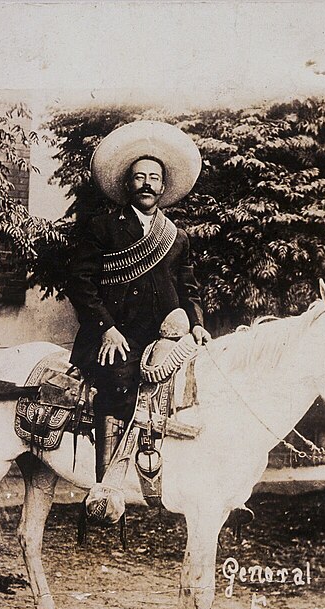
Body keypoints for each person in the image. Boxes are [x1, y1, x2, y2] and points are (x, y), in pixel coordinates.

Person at [66, 121, 211, 481]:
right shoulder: (102, 227)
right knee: (118, 382)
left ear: (163, 187)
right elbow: (81, 283)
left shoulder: (176, 237)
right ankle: (107, 485)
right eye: (139, 177)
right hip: (117, 336)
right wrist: (107, 329)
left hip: (165, 337)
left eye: (153, 178)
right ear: (128, 185)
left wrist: (197, 325)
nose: (146, 184)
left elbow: (189, 288)